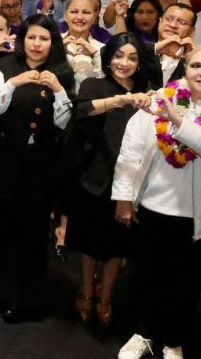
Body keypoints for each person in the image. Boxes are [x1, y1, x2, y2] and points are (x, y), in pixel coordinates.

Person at [114, 46, 201, 359]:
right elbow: (130, 152)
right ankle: (143, 333)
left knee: (187, 287)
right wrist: (123, 197)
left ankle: (173, 341)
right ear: (185, 69)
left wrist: (179, 121)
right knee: (146, 277)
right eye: (196, 65)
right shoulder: (160, 99)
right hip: (154, 210)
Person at [0, 14, 75, 323]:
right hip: (5, 159)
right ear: (22, 40)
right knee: (0, 226)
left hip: (41, 166)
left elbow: (65, 124)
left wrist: (60, 91)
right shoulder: (6, 66)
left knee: (32, 231)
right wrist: (13, 83)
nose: (37, 44)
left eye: (44, 39)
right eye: (32, 38)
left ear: (53, 43)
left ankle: (24, 295)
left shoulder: (62, 71)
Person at [63, 33, 157, 328]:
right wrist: (119, 100)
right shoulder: (95, 84)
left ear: (140, 62)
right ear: (108, 58)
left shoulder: (149, 90)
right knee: (90, 241)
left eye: (132, 57)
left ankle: (106, 294)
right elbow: (81, 110)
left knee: (119, 243)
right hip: (95, 176)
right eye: (118, 56)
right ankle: (86, 290)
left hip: (131, 181)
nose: (124, 63)